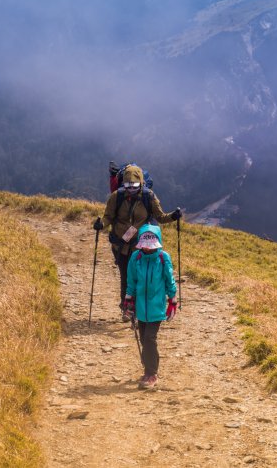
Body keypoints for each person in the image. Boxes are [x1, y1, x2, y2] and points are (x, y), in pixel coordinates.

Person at [93, 164, 181, 320]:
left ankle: (138, 309)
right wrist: (101, 224)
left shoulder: (149, 196)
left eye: (134, 185)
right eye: (128, 185)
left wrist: (173, 216)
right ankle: (126, 308)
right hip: (120, 245)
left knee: (140, 277)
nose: (131, 189)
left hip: (142, 246)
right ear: (123, 183)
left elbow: (160, 217)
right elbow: (108, 217)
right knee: (126, 277)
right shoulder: (116, 196)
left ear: (141, 182)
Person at [123, 222, 178, 390]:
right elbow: (131, 281)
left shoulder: (163, 258)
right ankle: (149, 369)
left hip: (156, 307)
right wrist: (129, 300)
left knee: (149, 338)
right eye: (144, 245)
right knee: (143, 339)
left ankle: (152, 374)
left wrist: (172, 301)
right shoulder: (136, 258)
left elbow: (169, 281)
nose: (147, 248)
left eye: (150, 245)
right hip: (140, 307)